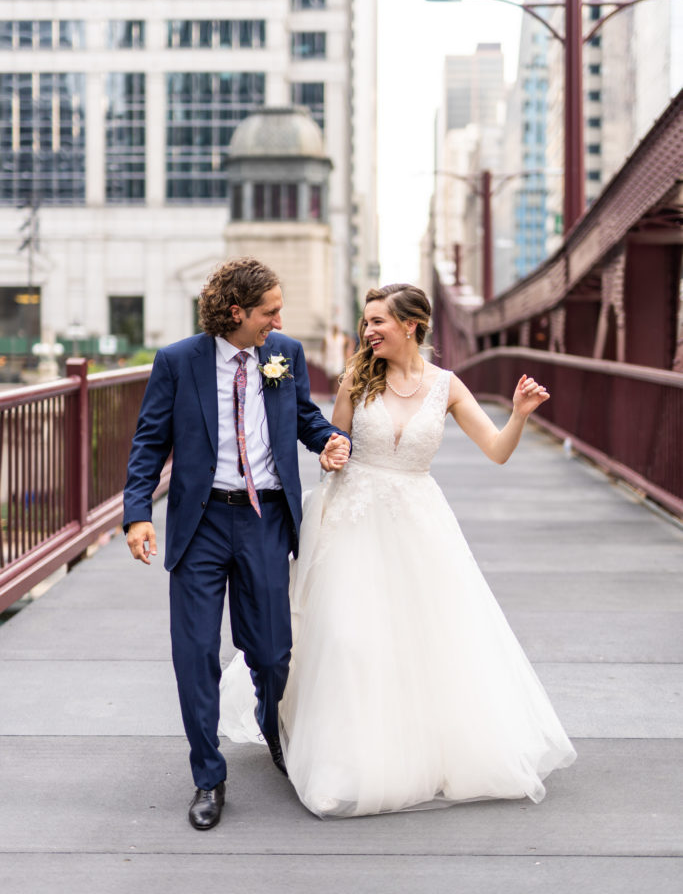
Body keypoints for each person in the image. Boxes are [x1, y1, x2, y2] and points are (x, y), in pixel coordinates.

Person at [220, 283, 576, 818]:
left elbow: (497, 452)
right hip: (349, 518)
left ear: (412, 326)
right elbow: (328, 443)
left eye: (378, 322)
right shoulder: (356, 379)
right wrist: (333, 455)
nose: (368, 332)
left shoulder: (448, 386)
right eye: (365, 322)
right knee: (347, 637)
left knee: (419, 638)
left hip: (417, 520)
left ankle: (412, 749)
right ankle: (341, 753)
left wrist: (520, 413)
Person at [123, 256, 350, 830]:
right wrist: (136, 515)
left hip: (266, 519)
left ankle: (272, 729)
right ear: (236, 312)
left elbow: (304, 417)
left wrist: (330, 441)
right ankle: (208, 775)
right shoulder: (179, 361)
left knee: (273, 652)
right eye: (270, 311)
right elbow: (150, 441)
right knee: (195, 654)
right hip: (200, 524)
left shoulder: (284, 354)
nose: (279, 319)